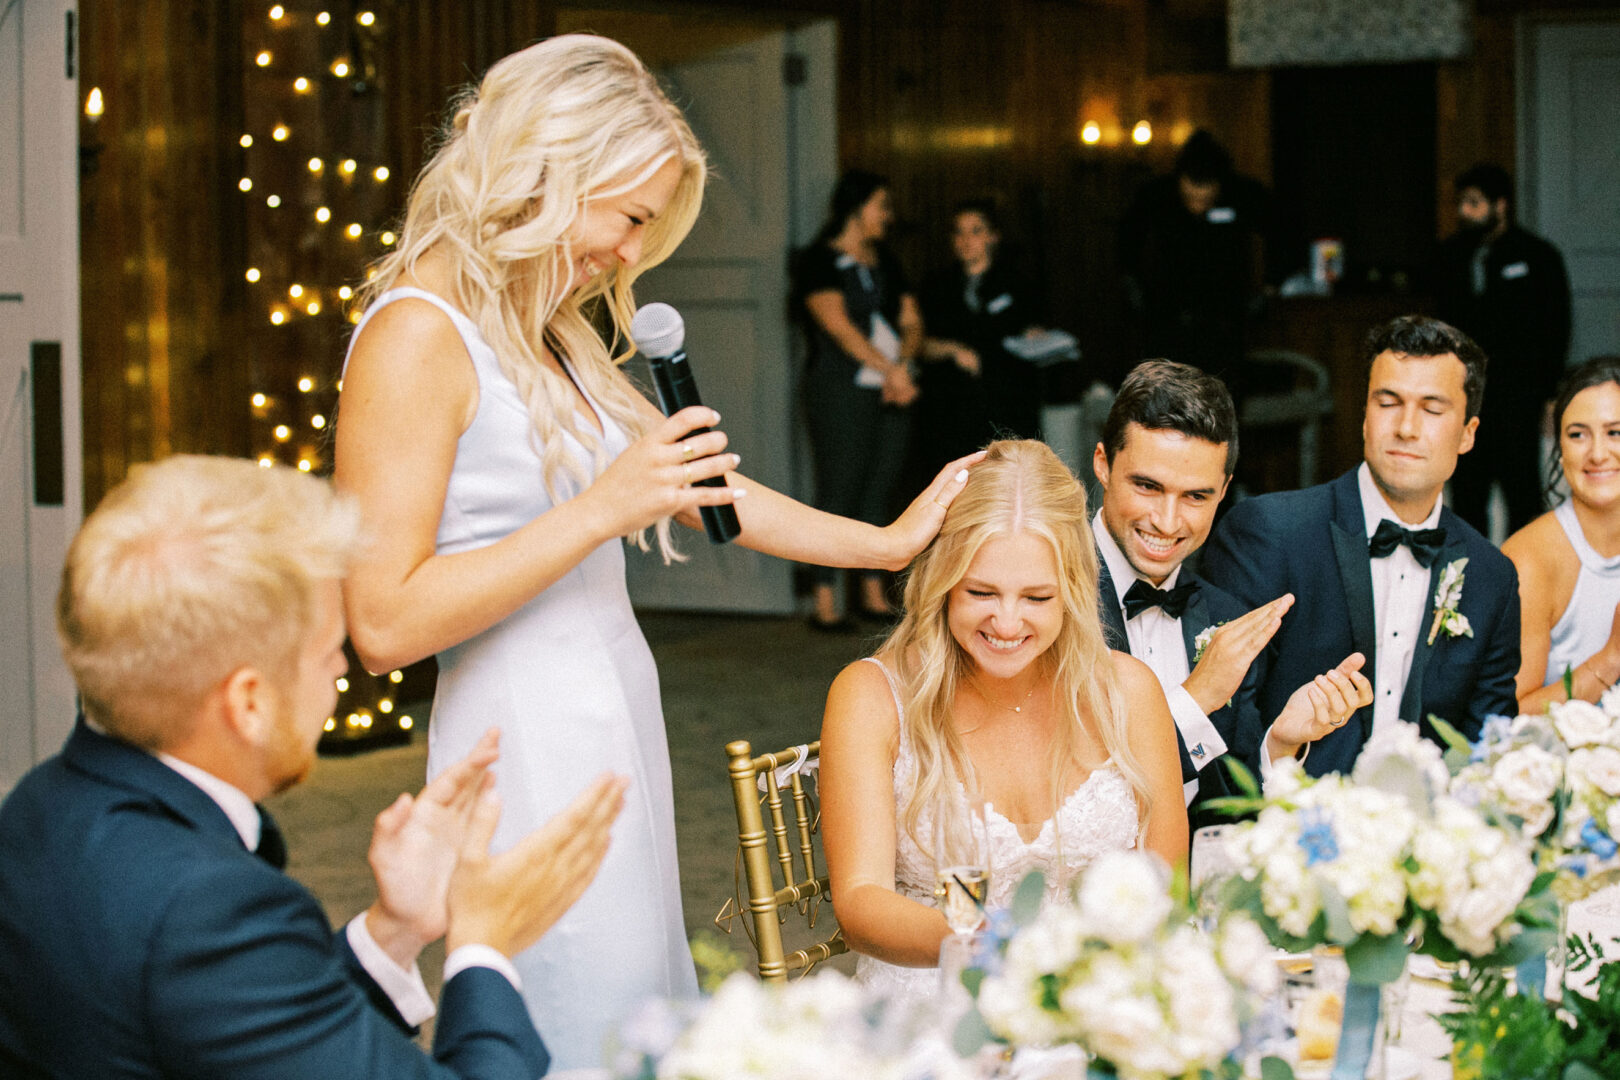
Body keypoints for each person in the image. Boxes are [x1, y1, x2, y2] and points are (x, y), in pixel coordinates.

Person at [334, 37, 975, 1068]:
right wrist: (598, 511)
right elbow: (381, 621)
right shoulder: (417, 333)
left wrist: (888, 540)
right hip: (520, 740)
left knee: (639, 1005)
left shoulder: (552, 332)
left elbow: (705, 488)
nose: (633, 255)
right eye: (629, 218)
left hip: (612, 711)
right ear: (551, 171)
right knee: (574, 1014)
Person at [0, 455, 628, 1079]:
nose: (340, 671)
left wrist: (397, 927)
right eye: (328, 651)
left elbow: (241, 1028)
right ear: (248, 703)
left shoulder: (37, 807)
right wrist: (483, 942)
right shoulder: (206, 909)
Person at [819, 439, 1188, 1004]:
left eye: (1037, 597)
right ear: (942, 581)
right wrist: (987, 943)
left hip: (1104, 998)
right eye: (981, 592)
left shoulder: (1128, 692)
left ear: (1072, 590)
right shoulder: (871, 696)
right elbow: (861, 901)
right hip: (936, 1006)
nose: (1007, 622)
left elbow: (1168, 884)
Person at [1203, 315, 1521, 777]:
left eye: (1432, 409)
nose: (1407, 428)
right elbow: (1221, 719)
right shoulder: (1270, 533)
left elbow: (1486, 748)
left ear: (1468, 432)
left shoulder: (1491, 575)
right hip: (1284, 826)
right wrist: (1280, 759)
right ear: (1366, 416)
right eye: (1388, 402)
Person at [1090, 360, 1372, 820]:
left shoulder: (1223, 616)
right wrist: (1195, 698)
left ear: (1224, 491)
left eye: (1196, 496)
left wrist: (1281, 742)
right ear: (1103, 463)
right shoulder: (1042, 596)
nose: (1166, 520)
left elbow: (1225, 802)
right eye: (1147, 486)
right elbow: (1064, 799)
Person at [793, 169, 924, 630]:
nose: (887, 216)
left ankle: (871, 594)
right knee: (838, 489)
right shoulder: (817, 261)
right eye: (881, 205)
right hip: (840, 389)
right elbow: (838, 327)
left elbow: (910, 320)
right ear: (855, 207)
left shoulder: (886, 260)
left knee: (878, 488)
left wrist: (902, 367)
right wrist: (890, 370)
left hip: (892, 388)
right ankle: (825, 601)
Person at [1435, 162, 1572, 537]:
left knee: (1522, 492)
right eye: (1461, 202)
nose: (1465, 211)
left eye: (1474, 203)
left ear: (1501, 205)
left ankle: (1523, 579)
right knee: (1466, 493)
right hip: (1465, 394)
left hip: (1518, 394)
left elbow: (1555, 328)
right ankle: (1469, 579)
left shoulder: (1537, 256)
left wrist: (1548, 393)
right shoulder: (1449, 257)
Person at [1504, 357, 1620, 711]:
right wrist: (1611, 658)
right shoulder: (1529, 560)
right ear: (1560, 447)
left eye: (1615, 432)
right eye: (1578, 434)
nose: (1598, 453)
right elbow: (1507, 716)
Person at [1118, 130, 1272, 387]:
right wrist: (1131, 285)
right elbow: (1126, 241)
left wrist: (1269, 288)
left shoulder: (1242, 194)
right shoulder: (1157, 195)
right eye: (1191, 198)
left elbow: (1282, 233)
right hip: (1167, 321)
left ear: (1220, 186)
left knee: (1223, 395)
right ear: (1180, 182)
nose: (1198, 207)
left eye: (1205, 200)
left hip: (1225, 321)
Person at [914, 199, 1044, 473]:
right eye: (958, 232)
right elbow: (920, 343)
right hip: (951, 405)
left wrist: (1034, 335)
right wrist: (952, 349)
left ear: (993, 236)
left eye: (975, 231)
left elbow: (1033, 329)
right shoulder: (937, 285)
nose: (965, 240)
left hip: (1005, 402)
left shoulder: (1016, 283)